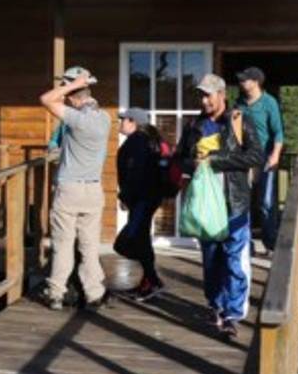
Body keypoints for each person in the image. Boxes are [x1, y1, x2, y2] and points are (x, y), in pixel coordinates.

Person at [175, 74, 263, 338]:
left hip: (234, 203)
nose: (204, 100)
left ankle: (232, 314)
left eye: (209, 95)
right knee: (212, 260)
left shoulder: (239, 121)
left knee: (234, 260)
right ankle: (216, 306)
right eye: (201, 95)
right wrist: (196, 164)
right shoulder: (194, 125)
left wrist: (215, 159)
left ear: (222, 94)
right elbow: (180, 158)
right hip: (205, 205)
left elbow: (256, 155)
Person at [39, 65, 111, 311]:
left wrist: (72, 84)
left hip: (69, 189)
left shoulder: (76, 119)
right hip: (93, 190)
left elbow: (46, 99)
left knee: (63, 244)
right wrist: (81, 87)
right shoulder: (104, 118)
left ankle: (56, 293)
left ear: (72, 96)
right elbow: (88, 105)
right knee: (89, 247)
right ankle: (94, 293)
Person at [115, 107, 165, 301]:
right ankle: (149, 281)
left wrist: (125, 197)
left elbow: (135, 174)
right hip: (147, 199)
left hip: (141, 200)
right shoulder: (148, 140)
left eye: (123, 120)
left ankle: (153, 280)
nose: (120, 123)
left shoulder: (137, 142)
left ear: (132, 122)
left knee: (126, 243)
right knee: (141, 239)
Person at [235, 67, 285, 252]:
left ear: (256, 82)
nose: (242, 83)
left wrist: (275, 155)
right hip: (245, 157)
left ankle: (270, 242)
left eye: (245, 80)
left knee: (266, 202)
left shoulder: (269, 102)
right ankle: (245, 244)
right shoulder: (239, 103)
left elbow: (278, 132)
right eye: (240, 80)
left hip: (265, 157)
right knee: (243, 201)